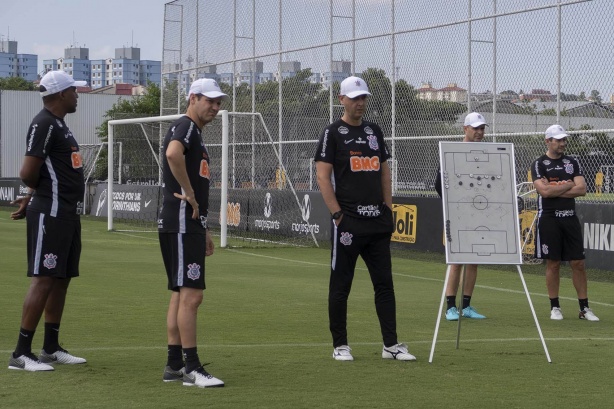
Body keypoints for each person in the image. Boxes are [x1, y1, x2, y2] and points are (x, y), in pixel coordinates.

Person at [314, 76, 416, 362]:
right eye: (355, 98)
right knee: (341, 286)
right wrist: (337, 215)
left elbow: (384, 170)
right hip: (348, 224)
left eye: (364, 98)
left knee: (384, 284)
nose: (360, 103)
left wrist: (388, 207)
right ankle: (341, 345)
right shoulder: (332, 133)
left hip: (377, 223)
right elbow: (322, 177)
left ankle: (391, 346)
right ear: (341, 99)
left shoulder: (374, 131)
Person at [8, 70, 88, 372]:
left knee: (60, 279)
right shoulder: (43, 123)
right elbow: (28, 171)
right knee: (43, 277)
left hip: (67, 212)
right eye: (74, 90)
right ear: (61, 94)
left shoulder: (59, 125)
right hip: (51, 212)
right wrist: (36, 193)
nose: (77, 95)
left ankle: (50, 348)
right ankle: (21, 353)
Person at [158, 78, 227, 388]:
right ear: (193, 98)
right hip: (182, 221)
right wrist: (189, 194)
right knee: (192, 295)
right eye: (209, 101)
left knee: (180, 292)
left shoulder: (192, 131)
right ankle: (191, 367)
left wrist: (205, 228)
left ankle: (174, 364)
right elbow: (173, 154)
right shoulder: (186, 126)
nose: (214, 107)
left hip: (186, 223)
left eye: (218, 102)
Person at [531, 124, 599, 322]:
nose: (562, 143)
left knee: (578, 263)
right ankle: (555, 307)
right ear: (548, 141)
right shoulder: (539, 164)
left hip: (570, 217)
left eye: (564, 140)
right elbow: (544, 192)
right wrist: (569, 184)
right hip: (549, 218)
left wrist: (559, 186)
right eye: (558, 140)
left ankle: (584, 309)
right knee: (553, 263)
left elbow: (582, 189)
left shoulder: (572, 162)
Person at [434, 112, 487, 321]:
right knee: (456, 260)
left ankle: (466, 305)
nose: (480, 132)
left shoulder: (486, 153)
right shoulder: (450, 152)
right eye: (475, 128)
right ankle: (450, 307)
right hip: (457, 214)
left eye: (482, 128)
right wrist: (455, 204)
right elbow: (439, 184)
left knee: (473, 260)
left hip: (479, 215)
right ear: (465, 129)